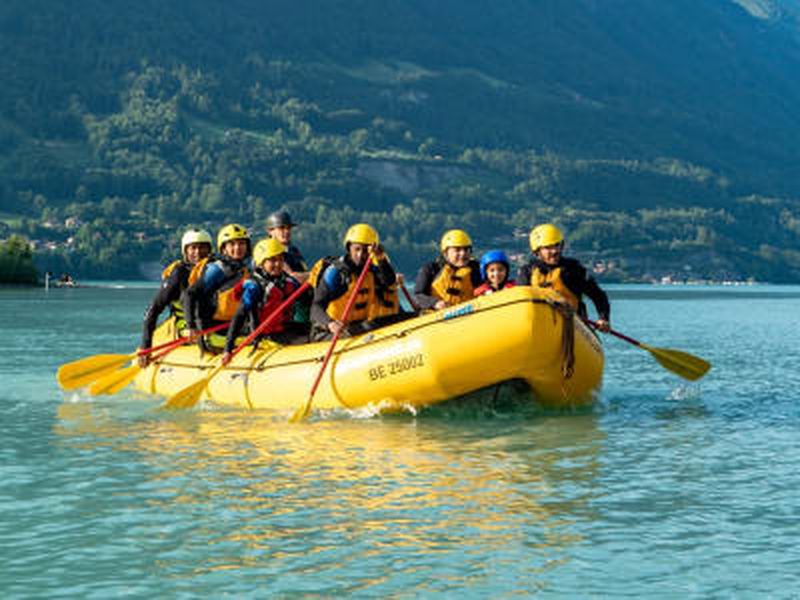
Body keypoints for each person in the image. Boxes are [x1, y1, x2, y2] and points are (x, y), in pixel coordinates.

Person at [222, 238, 309, 364]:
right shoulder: (254, 287)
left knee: (312, 331)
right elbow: (239, 316)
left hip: (283, 328)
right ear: (261, 264)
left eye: (280, 260)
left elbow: (306, 297)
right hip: (264, 335)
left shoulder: (287, 282)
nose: (278, 264)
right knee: (305, 340)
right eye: (272, 260)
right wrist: (227, 349)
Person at [309, 223, 401, 341]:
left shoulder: (371, 270)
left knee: (385, 321)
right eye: (357, 249)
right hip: (327, 332)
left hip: (357, 326)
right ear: (349, 248)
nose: (361, 255)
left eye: (365, 251)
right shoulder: (337, 273)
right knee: (369, 326)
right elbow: (316, 307)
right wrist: (330, 323)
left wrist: (381, 259)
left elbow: (389, 281)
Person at [138, 228, 213, 367]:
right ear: (185, 251)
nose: (198, 252)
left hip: (210, 325)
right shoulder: (179, 274)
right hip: (185, 327)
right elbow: (153, 310)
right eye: (193, 248)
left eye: (203, 247)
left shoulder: (215, 271)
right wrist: (145, 347)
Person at [518, 223, 610, 331]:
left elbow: (598, 296)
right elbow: (520, 302)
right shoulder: (528, 271)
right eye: (548, 248)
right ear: (537, 251)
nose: (555, 251)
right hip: (541, 326)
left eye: (557, 245)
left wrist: (603, 319)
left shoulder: (573, 269)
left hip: (574, 326)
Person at [183, 223, 252, 351]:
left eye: (241, 243)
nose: (238, 248)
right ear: (224, 248)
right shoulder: (218, 269)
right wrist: (191, 326)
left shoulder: (245, 269)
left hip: (233, 326)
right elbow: (189, 294)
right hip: (212, 330)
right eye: (232, 244)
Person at [414, 229, 482, 310]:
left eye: (466, 249)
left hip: (470, 314)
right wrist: (435, 303)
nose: (463, 253)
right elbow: (418, 296)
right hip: (437, 316)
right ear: (445, 253)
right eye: (457, 250)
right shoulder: (431, 269)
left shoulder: (477, 270)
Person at [266, 210, 308, 282]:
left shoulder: (294, 251)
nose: (286, 231)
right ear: (270, 231)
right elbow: (293, 277)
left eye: (288, 228)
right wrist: (314, 274)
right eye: (281, 228)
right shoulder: (267, 252)